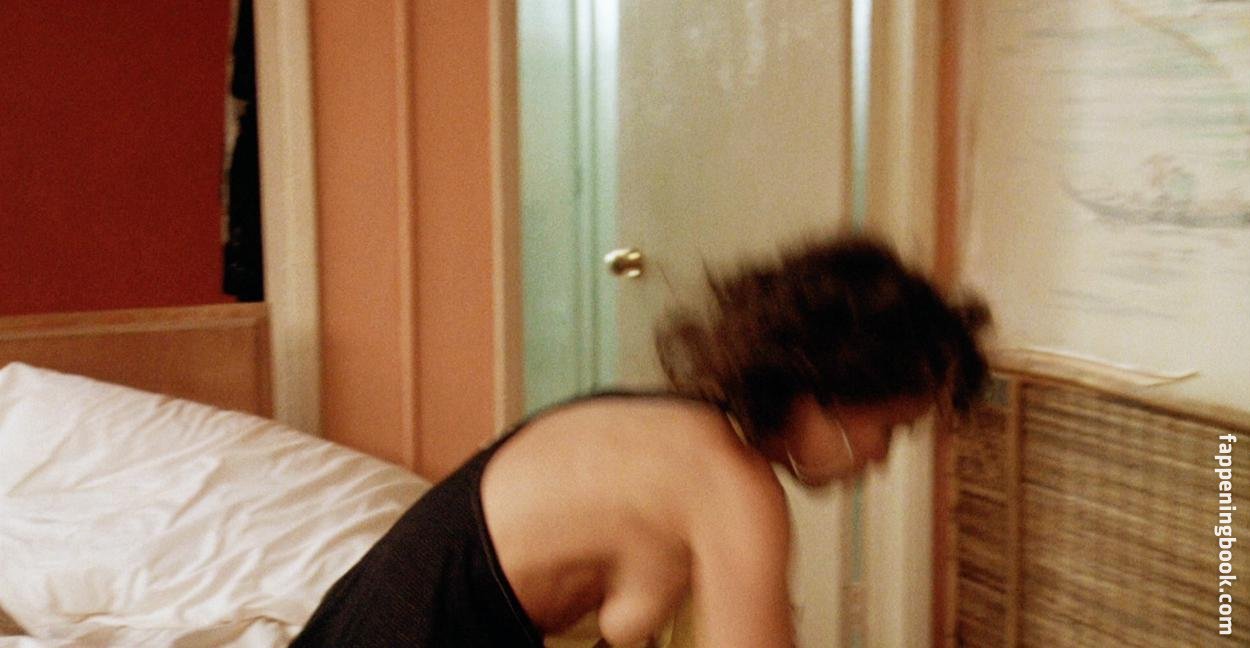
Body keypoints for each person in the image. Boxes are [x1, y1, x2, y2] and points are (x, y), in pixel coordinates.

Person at [290, 233, 990, 647]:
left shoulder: (669, 424)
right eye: (889, 429)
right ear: (833, 388)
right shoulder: (731, 486)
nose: (881, 459)